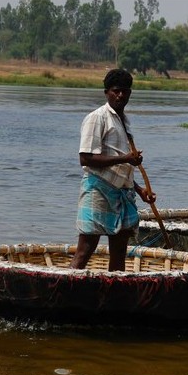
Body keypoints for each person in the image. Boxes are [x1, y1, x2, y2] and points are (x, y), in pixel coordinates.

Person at [69, 68, 156, 271]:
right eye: (116, 91)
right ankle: (67, 292)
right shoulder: (97, 118)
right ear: (106, 92)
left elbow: (121, 167)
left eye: (125, 91)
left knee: (119, 255)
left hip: (122, 193)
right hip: (98, 190)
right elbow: (86, 158)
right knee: (85, 250)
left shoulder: (124, 121)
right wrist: (126, 157)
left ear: (130, 93)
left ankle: (115, 295)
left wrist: (139, 190)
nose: (120, 95)